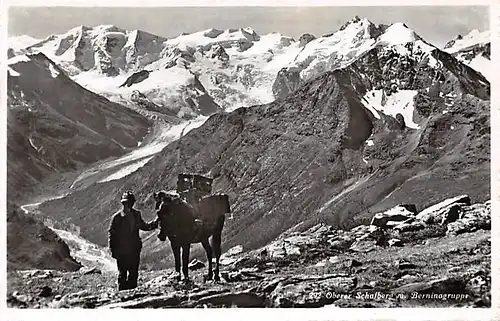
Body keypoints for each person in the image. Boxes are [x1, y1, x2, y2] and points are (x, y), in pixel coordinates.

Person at [108, 191, 159, 290]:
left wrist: (155, 223)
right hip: (122, 251)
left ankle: (133, 295)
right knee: (122, 274)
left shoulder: (136, 214)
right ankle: (122, 296)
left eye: (131, 202)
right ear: (123, 203)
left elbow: (143, 226)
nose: (129, 205)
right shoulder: (117, 217)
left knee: (133, 274)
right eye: (127, 202)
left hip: (134, 250)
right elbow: (112, 235)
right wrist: (113, 251)